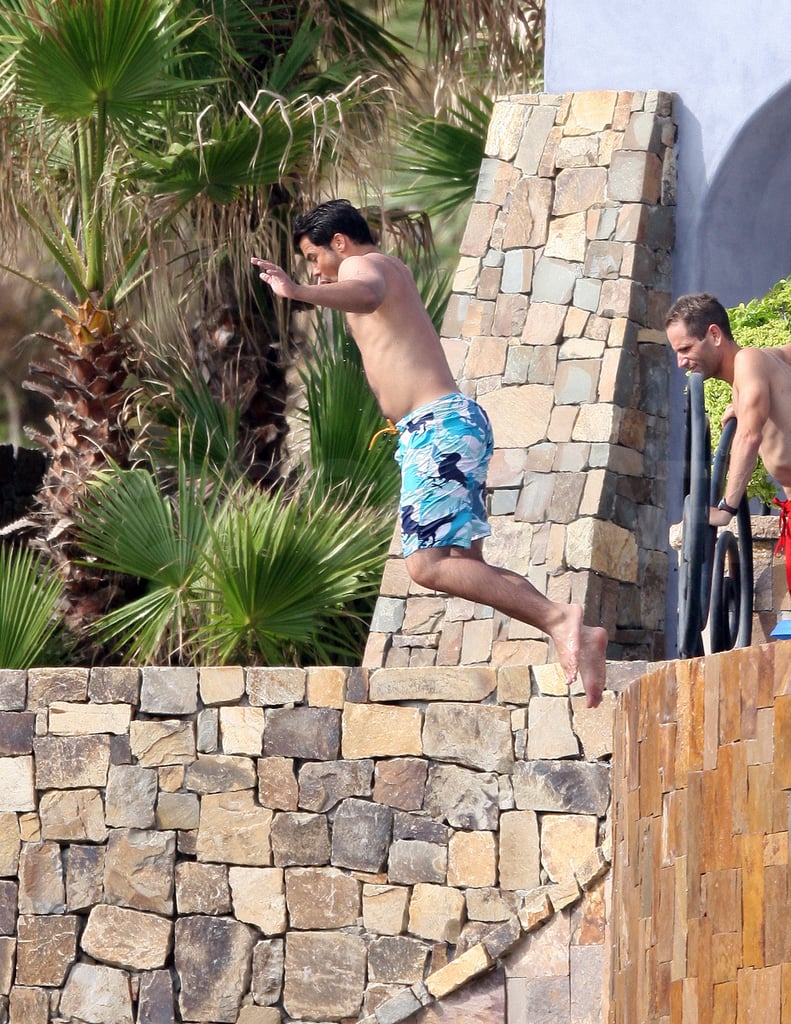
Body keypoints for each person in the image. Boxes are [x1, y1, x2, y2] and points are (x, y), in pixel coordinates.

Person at [253, 199, 607, 706]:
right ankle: (575, 632)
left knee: (425, 564)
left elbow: (366, 291)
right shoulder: (385, 267)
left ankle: (559, 618)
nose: (314, 269)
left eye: (314, 257)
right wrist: (308, 289)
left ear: (338, 242)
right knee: (464, 561)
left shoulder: (363, 265)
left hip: (436, 429)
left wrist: (297, 290)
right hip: (445, 426)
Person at [665, 292, 791, 589]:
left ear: (714, 334)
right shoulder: (761, 362)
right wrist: (746, 398)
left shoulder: (749, 361)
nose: (681, 362)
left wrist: (726, 508)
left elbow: (749, 436)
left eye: (685, 348)